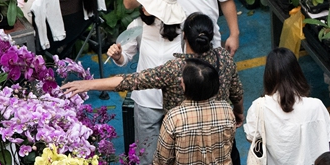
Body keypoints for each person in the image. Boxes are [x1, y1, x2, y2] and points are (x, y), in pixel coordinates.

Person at [62, 13, 244, 126]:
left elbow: (130, 81)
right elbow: (236, 92)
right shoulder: (224, 57)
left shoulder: (175, 68)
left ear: (185, 36)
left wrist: (88, 84)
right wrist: (238, 112)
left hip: (183, 140)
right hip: (217, 133)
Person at [105, 0, 186, 165]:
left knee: (178, 160)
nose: (143, 6)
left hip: (176, 104)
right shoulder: (137, 26)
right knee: (146, 160)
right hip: (146, 102)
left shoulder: (184, 29)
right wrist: (117, 55)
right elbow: (125, 59)